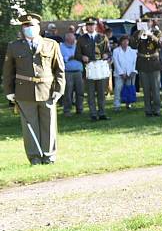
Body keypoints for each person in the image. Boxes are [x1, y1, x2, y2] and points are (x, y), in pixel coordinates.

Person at [3, 13, 65, 165]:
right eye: (26, 26)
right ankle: (35, 158)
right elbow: (8, 71)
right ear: (22, 29)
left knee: (49, 125)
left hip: (48, 90)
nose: (29, 28)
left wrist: (59, 89)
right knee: (29, 127)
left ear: (38, 27)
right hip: (24, 92)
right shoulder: (14, 46)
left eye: (32, 26)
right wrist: (9, 91)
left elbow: (59, 69)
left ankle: (49, 156)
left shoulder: (51, 44)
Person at [75, 17, 111, 121]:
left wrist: (106, 55)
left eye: (92, 25)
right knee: (90, 93)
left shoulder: (102, 37)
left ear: (95, 26)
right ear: (86, 27)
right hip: (89, 68)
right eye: (88, 25)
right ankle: (93, 114)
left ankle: (102, 113)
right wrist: (82, 57)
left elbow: (109, 52)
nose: (90, 27)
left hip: (100, 67)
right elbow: (77, 54)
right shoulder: (82, 39)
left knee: (101, 92)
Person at [132, 28, 162, 116]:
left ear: (150, 24)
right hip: (143, 64)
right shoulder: (137, 33)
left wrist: (151, 35)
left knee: (155, 88)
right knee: (146, 89)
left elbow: (161, 45)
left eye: (147, 22)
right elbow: (133, 45)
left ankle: (157, 109)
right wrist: (139, 34)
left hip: (154, 64)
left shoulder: (157, 33)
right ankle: (148, 110)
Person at [60, 32, 84, 116]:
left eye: (74, 39)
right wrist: (68, 58)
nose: (74, 41)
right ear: (67, 39)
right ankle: (67, 110)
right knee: (68, 92)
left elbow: (83, 55)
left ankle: (80, 109)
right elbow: (59, 59)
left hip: (78, 71)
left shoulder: (78, 46)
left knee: (80, 91)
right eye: (72, 39)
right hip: (67, 72)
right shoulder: (61, 47)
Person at [111, 35, 137, 110]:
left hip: (130, 74)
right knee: (118, 89)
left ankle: (128, 104)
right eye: (124, 41)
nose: (125, 42)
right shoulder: (116, 51)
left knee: (129, 88)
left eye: (127, 41)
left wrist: (133, 72)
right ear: (121, 42)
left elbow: (134, 62)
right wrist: (121, 73)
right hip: (119, 74)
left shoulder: (132, 51)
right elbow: (116, 62)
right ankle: (117, 105)